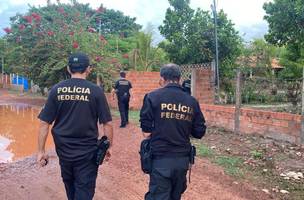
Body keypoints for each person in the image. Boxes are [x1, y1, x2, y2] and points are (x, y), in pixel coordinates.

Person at [37, 52, 113, 200]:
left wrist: (41, 151)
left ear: (68, 68)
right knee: (84, 191)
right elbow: (107, 124)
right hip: (88, 154)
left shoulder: (56, 90)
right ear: (88, 69)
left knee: (70, 188)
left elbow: (44, 123)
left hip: (64, 152)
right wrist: (108, 147)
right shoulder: (96, 91)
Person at [140, 64, 206, 200]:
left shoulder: (152, 97)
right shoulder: (191, 101)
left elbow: (146, 132)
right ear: (179, 78)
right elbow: (199, 132)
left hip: (160, 159)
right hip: (182, 161)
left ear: (162, 78)